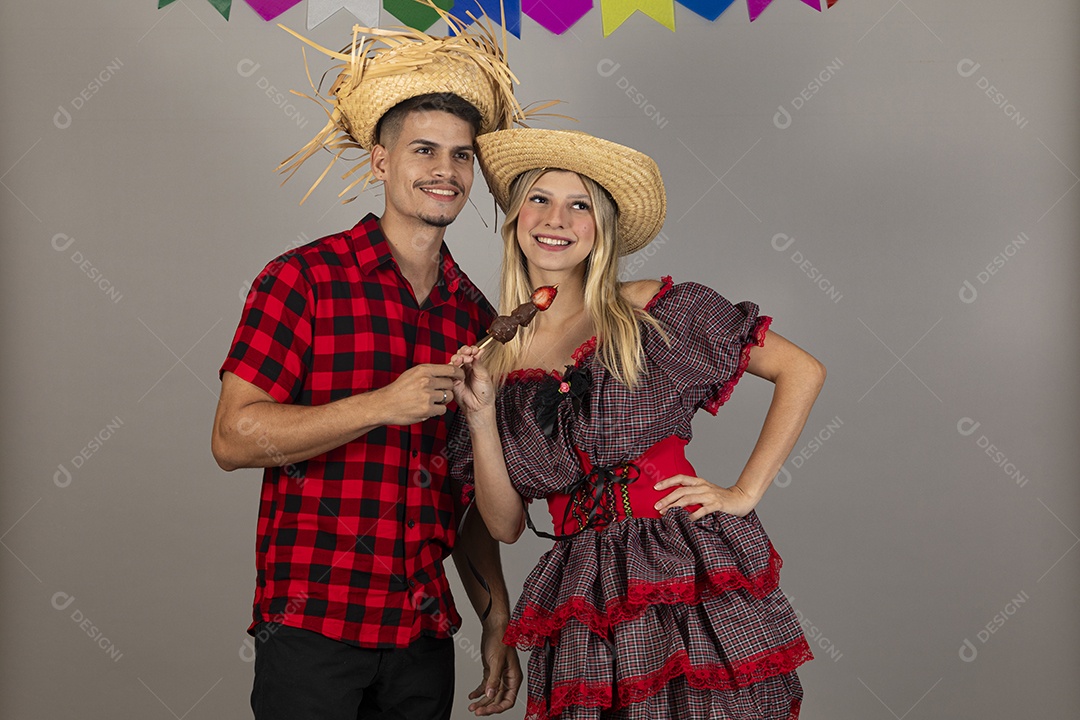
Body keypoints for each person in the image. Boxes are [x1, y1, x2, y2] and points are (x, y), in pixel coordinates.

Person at [448, 128, 827, 719]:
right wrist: (479, 418)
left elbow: (800, 370)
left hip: (678, 561)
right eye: (540, 199)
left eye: (580, 205)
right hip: (581, 589)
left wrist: (744, 492)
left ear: (601, 227)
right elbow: (503, 526)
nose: (556, 219)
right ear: (516, 216)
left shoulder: (647, 309)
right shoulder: (493, 360)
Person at [211, 16, 525, 720]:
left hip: (422, 635)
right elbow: (232, 439)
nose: (446, 171)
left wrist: (496, 615)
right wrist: (381, 405)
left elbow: (469, 497)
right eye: (424, 150)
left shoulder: (474, 316)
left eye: (462, 155)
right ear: (381, 162)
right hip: (313, 627)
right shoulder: (303, 279)